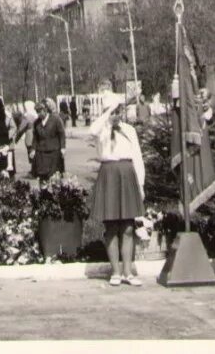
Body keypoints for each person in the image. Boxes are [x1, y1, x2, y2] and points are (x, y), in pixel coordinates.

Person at [89, 93, 145, 287]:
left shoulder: (129, 130)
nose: (116, 115)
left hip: (127, 175)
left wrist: (141, 184)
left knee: (129, 227)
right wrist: (107, 115)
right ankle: (115, 271)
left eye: (118, 111)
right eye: (113, 112)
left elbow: (137, 157)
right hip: (109, 175)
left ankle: (128, 272)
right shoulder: (102, 130)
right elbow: (92, 129)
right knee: (111, 227)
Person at [29, 100, 67, 180]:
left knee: (53, 177)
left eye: (40, 111)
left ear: (45, 110)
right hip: (41, 153)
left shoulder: (56, 119)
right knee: (42, 176)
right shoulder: (36, 122)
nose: (38, 114)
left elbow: (62, 134)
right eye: (37, 112)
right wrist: (33, 149)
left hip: (54, 152)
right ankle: (43, 192)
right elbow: (35, 137)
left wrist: (63, 147)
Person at [12, 100, 38, 168]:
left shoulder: (27, 116)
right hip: (37, 137)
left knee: (31, 154)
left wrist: (16, 139)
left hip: (30, 137)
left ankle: (33, 170)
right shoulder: (36, 115)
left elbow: (21, 129)